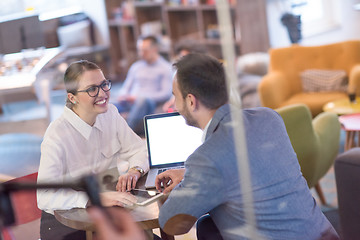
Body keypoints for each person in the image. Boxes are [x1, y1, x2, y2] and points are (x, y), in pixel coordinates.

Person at [154, 53, 339, 240]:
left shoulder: (205, 158)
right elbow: (246, 166)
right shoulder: (269, 118)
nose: (175, 106)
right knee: (208, 227)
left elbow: (171, 223)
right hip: (323, 234)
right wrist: (190, 175)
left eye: (175, 97)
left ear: (191, 101)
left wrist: (184, 186)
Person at [37, 60, 149, 240]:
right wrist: (91, 199)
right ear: (72, 98)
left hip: (107, 210)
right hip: (66, 222)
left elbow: (138, 149)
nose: (103, 93)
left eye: (104, 85)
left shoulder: (110, 114)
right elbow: (44, 197)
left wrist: (135, 171)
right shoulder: (56, 135)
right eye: (92, 89)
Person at [115, 35, 173, 134]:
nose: (141, 54)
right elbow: (125, 87)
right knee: (108, 104)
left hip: (149, 103)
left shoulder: (165, 68)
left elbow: (166, 93)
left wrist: (137, 98)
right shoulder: (136, 67)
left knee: (142, 100)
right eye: (139, 50)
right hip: (129, 102)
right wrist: (123, 95)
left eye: (144, 51)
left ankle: (127, 134)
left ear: (155, 49)